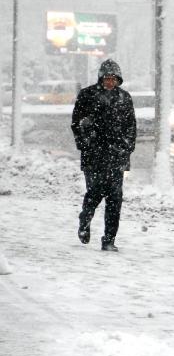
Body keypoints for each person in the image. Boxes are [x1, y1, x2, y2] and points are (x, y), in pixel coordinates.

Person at [71, 59, 137, 252]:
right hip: (94, 156)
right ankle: (85, 220)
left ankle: (109, 240)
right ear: (101, 78)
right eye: (107, 78)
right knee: (95, 193)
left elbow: (131, 126)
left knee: (115, 199)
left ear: (118, 80)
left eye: (113, 79)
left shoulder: (125, 98)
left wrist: (127, 147)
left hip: (117, 157)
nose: (110, 82)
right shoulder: (87, 95)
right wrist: (85, 143)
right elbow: (76, 123)